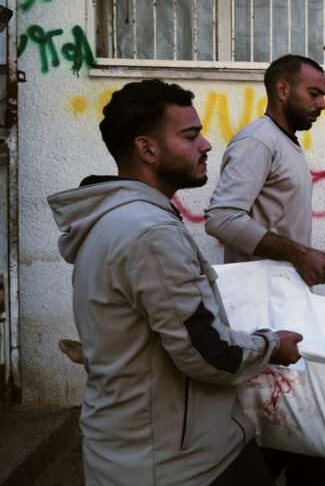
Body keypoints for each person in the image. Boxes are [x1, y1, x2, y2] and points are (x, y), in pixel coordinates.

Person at [47, 79, 303, 486]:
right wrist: (271, 345)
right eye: (190, 135)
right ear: (147, 149)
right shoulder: (148, 231)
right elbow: (208, 353)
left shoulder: (121, 220)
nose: (205, 145)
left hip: (153, 450)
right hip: (177, 465)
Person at [205, 54, 325, 484]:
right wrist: (297, 252)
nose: (321, 104)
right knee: (291, 425)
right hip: (262, 307)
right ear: (282, 89)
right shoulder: (258, 142)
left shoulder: (285, 142)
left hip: (283, 301)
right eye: (314, 93)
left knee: (289, 425)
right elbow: (221, 217)